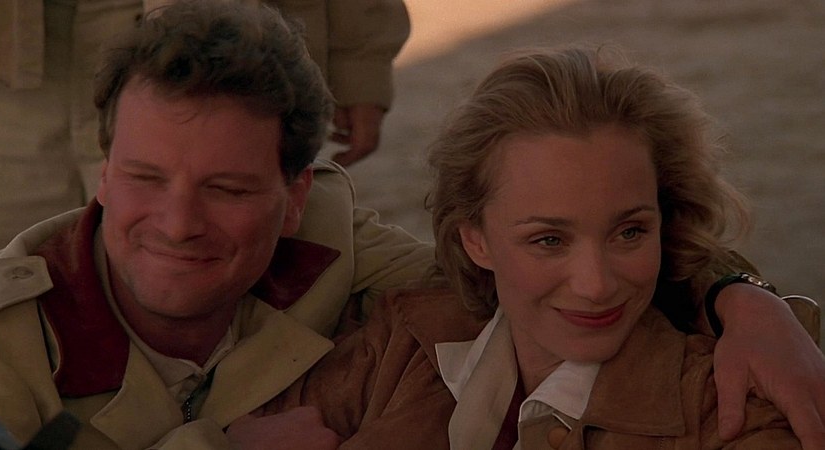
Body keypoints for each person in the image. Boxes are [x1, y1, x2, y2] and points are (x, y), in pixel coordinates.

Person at [0, 2, 821, 448]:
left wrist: (742, 296)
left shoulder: (346, 256)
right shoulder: (3, 342)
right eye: (144, 178)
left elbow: (544, 251)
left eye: (228, 189)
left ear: (293, 196)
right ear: (103, 173)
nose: (178, 223)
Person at [259, 46, 825, 449]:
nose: (595, 285)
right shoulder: (397, 343)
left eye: (630, 232)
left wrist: (749, 299)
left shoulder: (729, 415)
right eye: (549, 240)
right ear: (475, 239)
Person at [0, 0, 409, 252]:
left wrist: (361, 59)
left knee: (223, 268)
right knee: (21, 278)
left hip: (231, 41)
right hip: (15, 54)